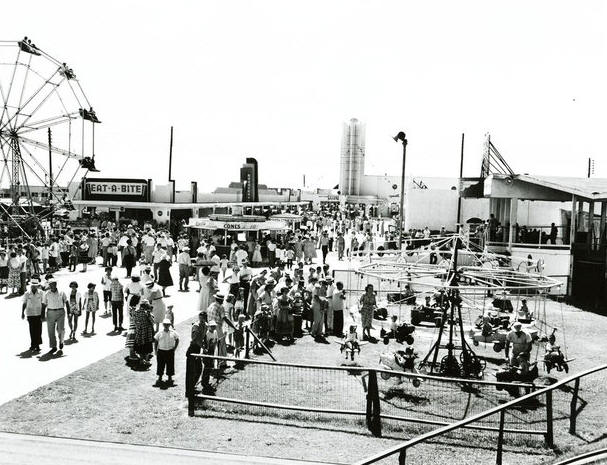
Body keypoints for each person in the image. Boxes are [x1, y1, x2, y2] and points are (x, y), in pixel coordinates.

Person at [42, 278, 68, 354]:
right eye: (51, 284)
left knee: (61, 329)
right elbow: (44, 305)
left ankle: (61, 341)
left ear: (56, 284)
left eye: (54, 283)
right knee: (51, 331)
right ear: (49, 285)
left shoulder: (61, 292)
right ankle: (53, 346)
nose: (53, 285)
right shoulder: (47, 294)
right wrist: (42, 316)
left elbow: (66, 302)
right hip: (50, 312)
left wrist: (69, 312)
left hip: (60, 312)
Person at [154, 318, 179, 386]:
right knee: (160, 364)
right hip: (161, 351)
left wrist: (174, 348)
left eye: (168, 325)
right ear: (163, 325)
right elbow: (156, 341)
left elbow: (177, 339)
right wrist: (155, 350)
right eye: (165, 324)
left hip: (170, 351)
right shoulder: (159, 333)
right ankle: (160, 377)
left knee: (170, 364)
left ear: (170, 325)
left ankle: (169, 377)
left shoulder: (173, 332)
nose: (166, 326)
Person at [22, 278, 43, 352]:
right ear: (31, 286)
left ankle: (37, 344)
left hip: (38, 313)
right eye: (32, 286)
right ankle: (33, 344)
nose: (34, 287)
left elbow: (43, 303)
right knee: (32, 329)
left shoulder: (41, 293)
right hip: (30, 314)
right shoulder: (27, 293)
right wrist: (22, 313)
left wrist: (43, 313)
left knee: (39, 329)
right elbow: (24, 303)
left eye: (35, 286)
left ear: (37, 286)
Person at [132, 299, 155, 367]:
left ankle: (141, 360)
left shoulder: (136, 312)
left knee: (140, 346)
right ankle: (147, 360)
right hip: (147, 331)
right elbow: (152, 322)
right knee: (148, 347)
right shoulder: (147, 313)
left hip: (139, 331)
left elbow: (134, 321)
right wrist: (150, 314)